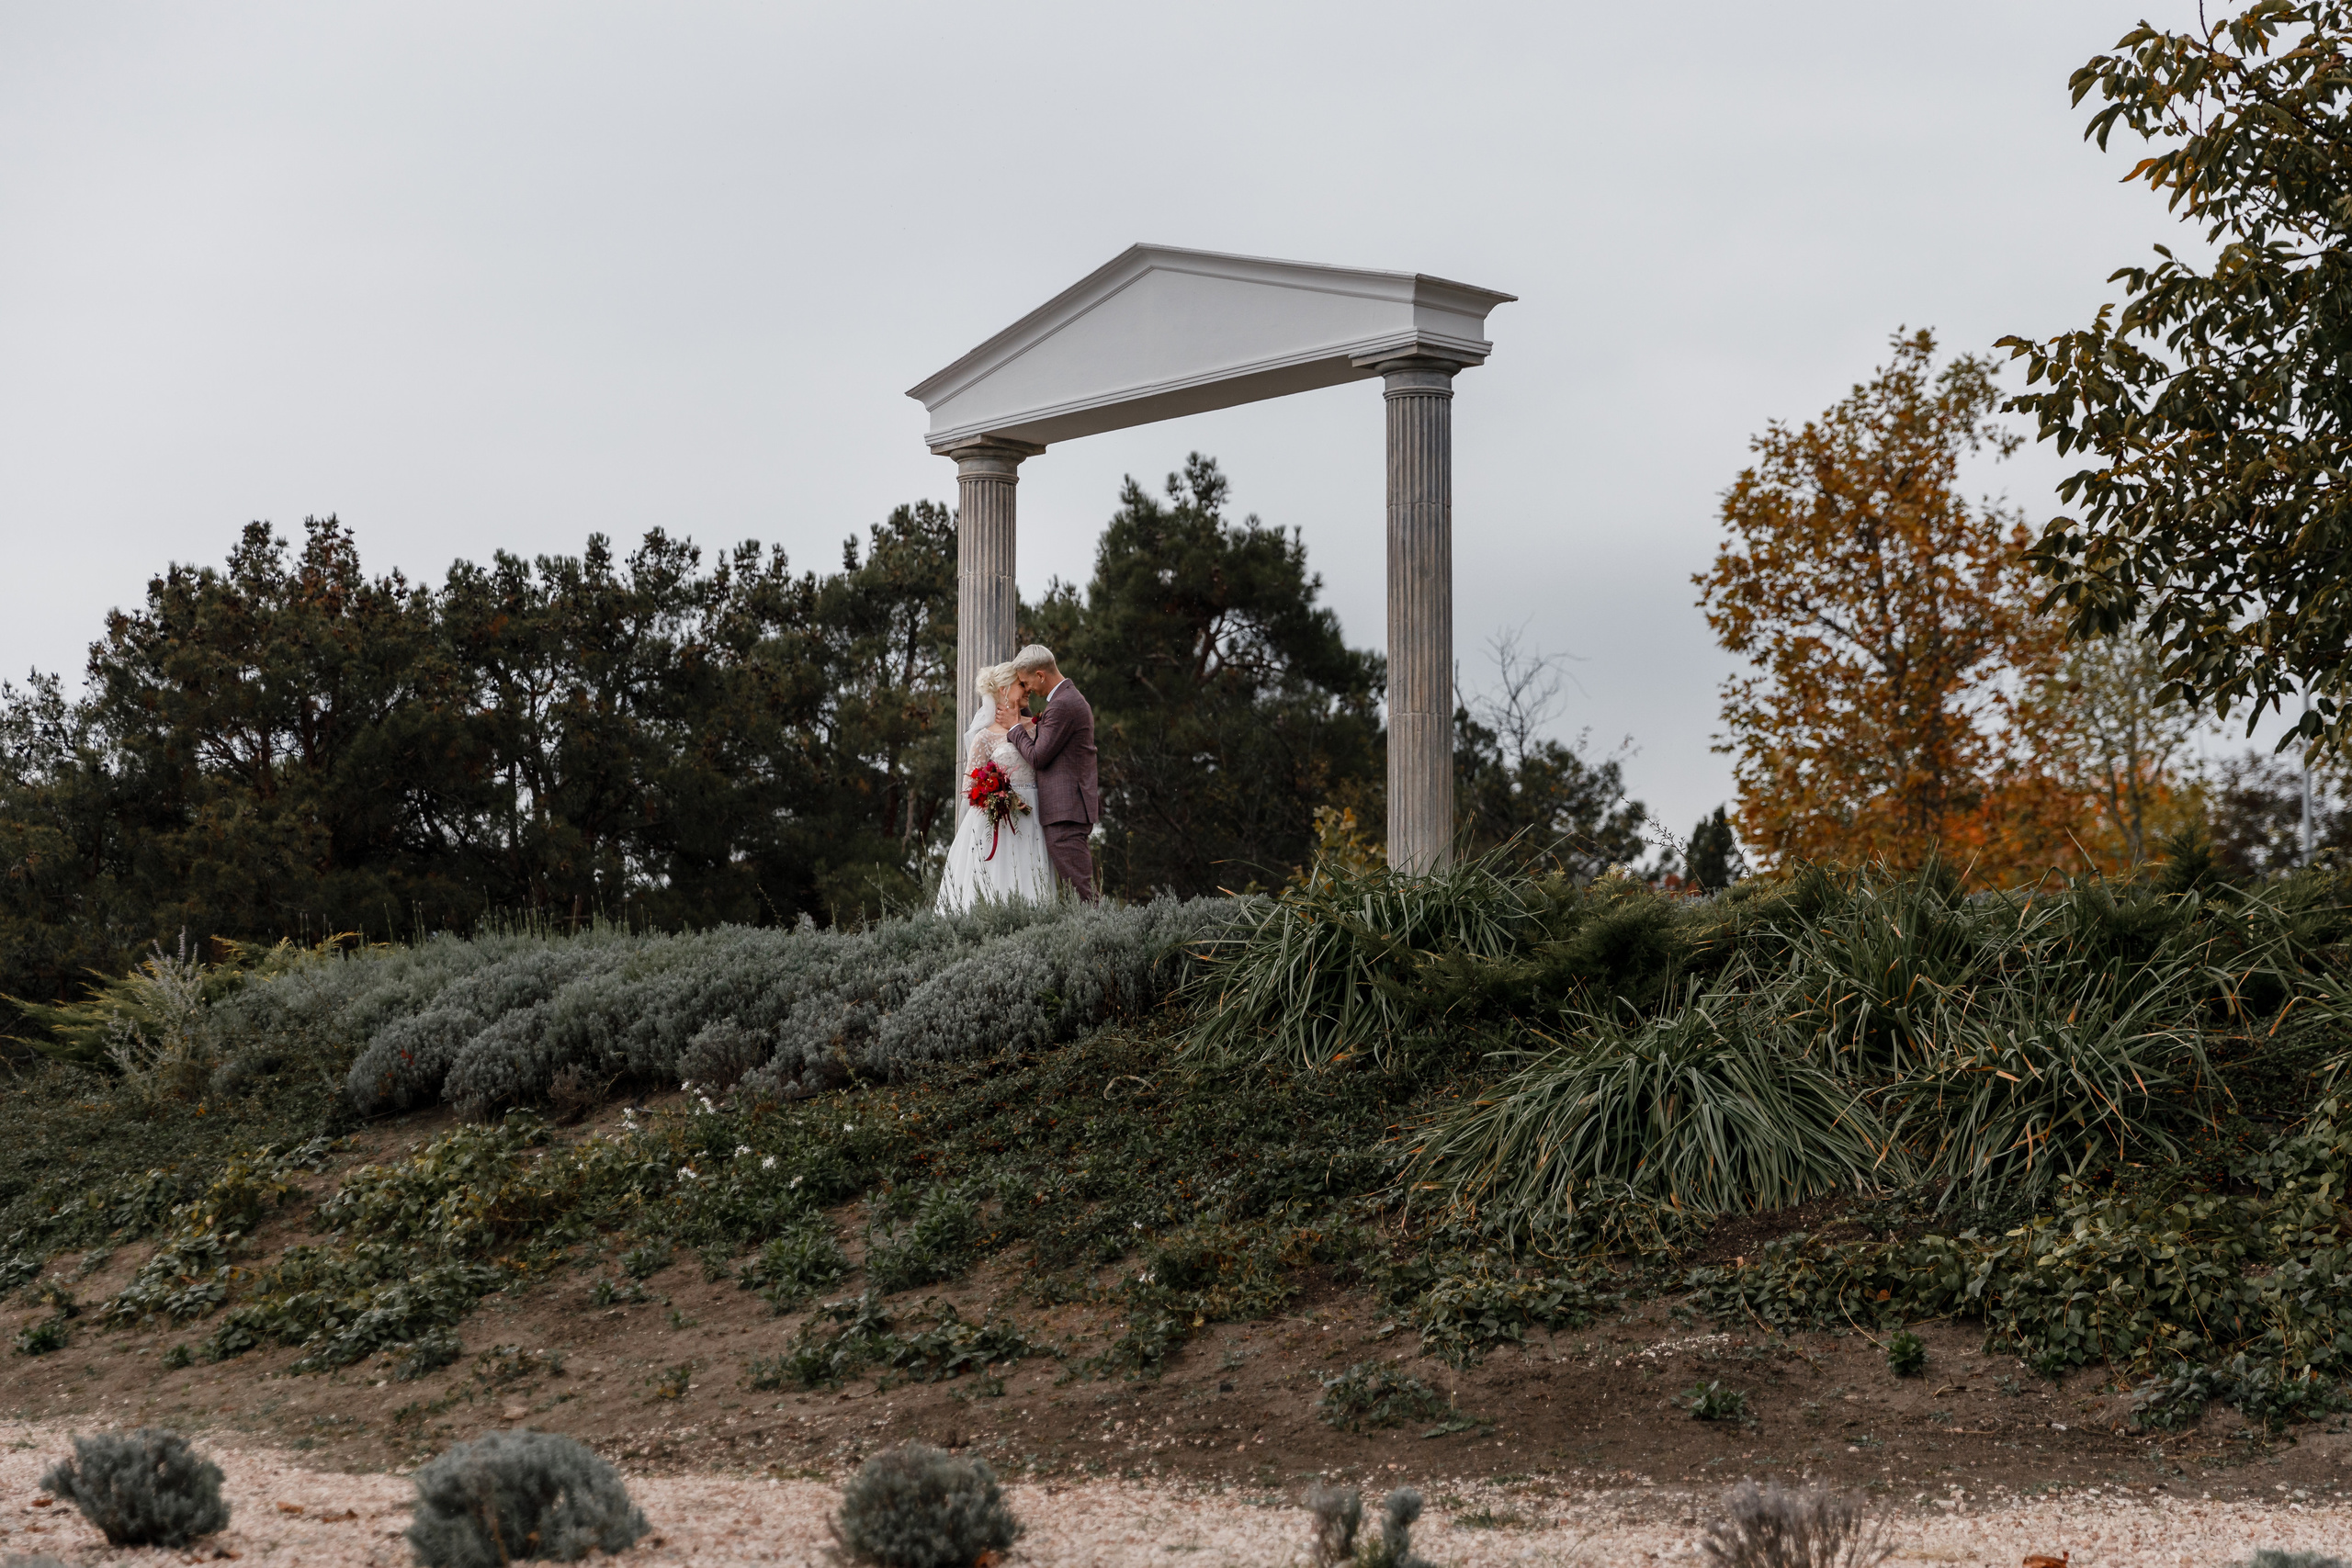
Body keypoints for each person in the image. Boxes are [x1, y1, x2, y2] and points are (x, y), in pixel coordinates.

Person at [933, 661, 1059, 912]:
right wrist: (999, 794)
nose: (1026, 689)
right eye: (1020, 685)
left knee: (1033, 879)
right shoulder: (984, 737)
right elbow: (970, 789)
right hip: (1000, 820)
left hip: (1036, 815)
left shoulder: (1037, 727)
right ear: (1004, 689)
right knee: (996, 881)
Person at [1004, 643, 1101, 902]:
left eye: (1027, 682)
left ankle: (1102, 939)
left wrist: (1014, 729)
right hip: (1068, 809)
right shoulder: (1065, 699)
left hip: (1065, 811)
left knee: (1082, 894)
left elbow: (1038, 756)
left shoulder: (1062, 705)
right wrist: (1021, 712)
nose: (1028, 689)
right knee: (1078, 891)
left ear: (1040, 675)